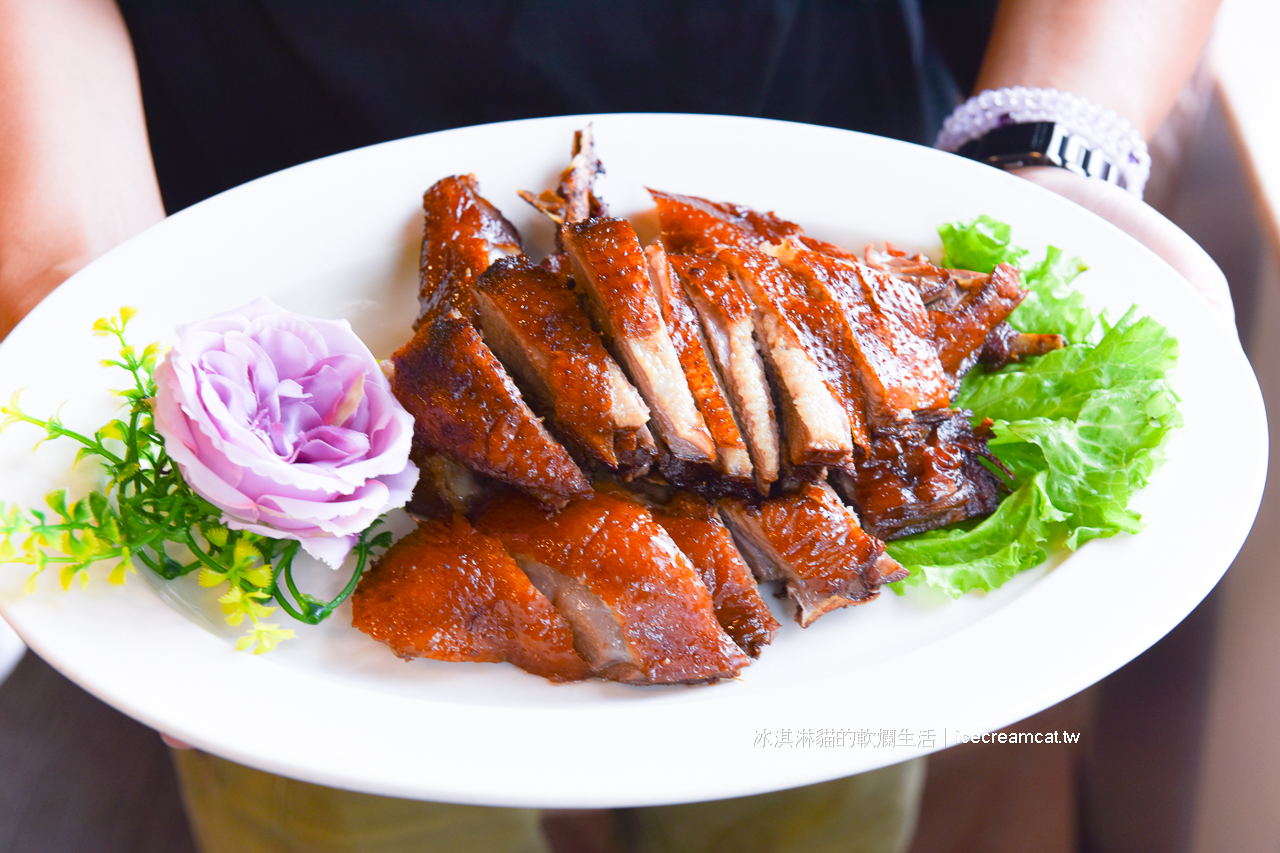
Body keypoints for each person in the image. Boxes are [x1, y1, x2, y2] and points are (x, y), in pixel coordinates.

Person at [0, 2, 1231, 851]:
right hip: (275, 322)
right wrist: (85, 278)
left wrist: (1045, 152)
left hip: (818, 220)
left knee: (800, 813)